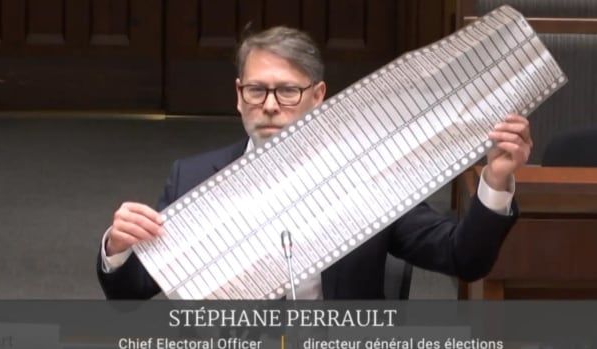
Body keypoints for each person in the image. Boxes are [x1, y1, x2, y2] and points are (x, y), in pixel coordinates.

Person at [97, 26, 531, 300]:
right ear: (237, 95)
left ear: (318, 96)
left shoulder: (366, 178)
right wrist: (117, 249)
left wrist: (494, 181)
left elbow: (463, 258)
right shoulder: (190, 178)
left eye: (287, 91)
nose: (269, 106)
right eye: (255, 91)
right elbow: (131, 289)